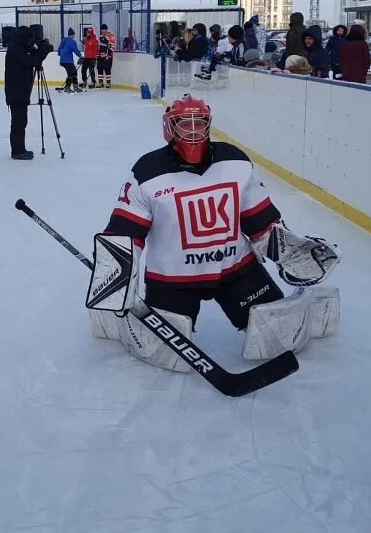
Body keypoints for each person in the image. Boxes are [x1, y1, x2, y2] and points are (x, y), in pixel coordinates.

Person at [86, 94, 338, 372]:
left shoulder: (236, 161)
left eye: (199, 123)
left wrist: (289, 250)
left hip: (235, 271)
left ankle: (313, 308)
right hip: (172, 279)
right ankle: (109, 320)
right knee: (159, 349)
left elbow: (259, 219)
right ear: (169, 127)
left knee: (278, 335)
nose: (193, 131)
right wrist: (113, 277)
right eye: (184, 124)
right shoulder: (147, 172)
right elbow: (125, 231)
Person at [3, 25, 51, 160]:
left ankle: (20, 149)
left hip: (20, 91)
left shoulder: (19, 47)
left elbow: (32, 57)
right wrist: (44, 52)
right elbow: (30, 62)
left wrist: (40, 48)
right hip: (16, 92)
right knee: (18, 122)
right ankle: (17, 151)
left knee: (21, 121)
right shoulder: (15, 49)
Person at [56, 28, 81, 92]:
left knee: (73, 72)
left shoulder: (64, 40)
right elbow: (75, 49)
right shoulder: (71, 41)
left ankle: (75, 87)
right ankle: (68, 87)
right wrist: (80, 56)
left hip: (63, 60)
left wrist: (60, 55)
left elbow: (59, 49)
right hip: (68, 60)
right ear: (73, 35)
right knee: (72, 73)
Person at [98, 23, 116, 89]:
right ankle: (101, 83)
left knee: (107, 69)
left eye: (104, 29)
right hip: (101, 56)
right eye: (102, 30)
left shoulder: (110, 36)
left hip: (108, 57)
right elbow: (98, 47)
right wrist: (97, 54)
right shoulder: (100, 37)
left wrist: (109, 55)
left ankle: (108, 83)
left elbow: (113, 46)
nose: (102, 31)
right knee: (99, 69)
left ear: (106, 29)